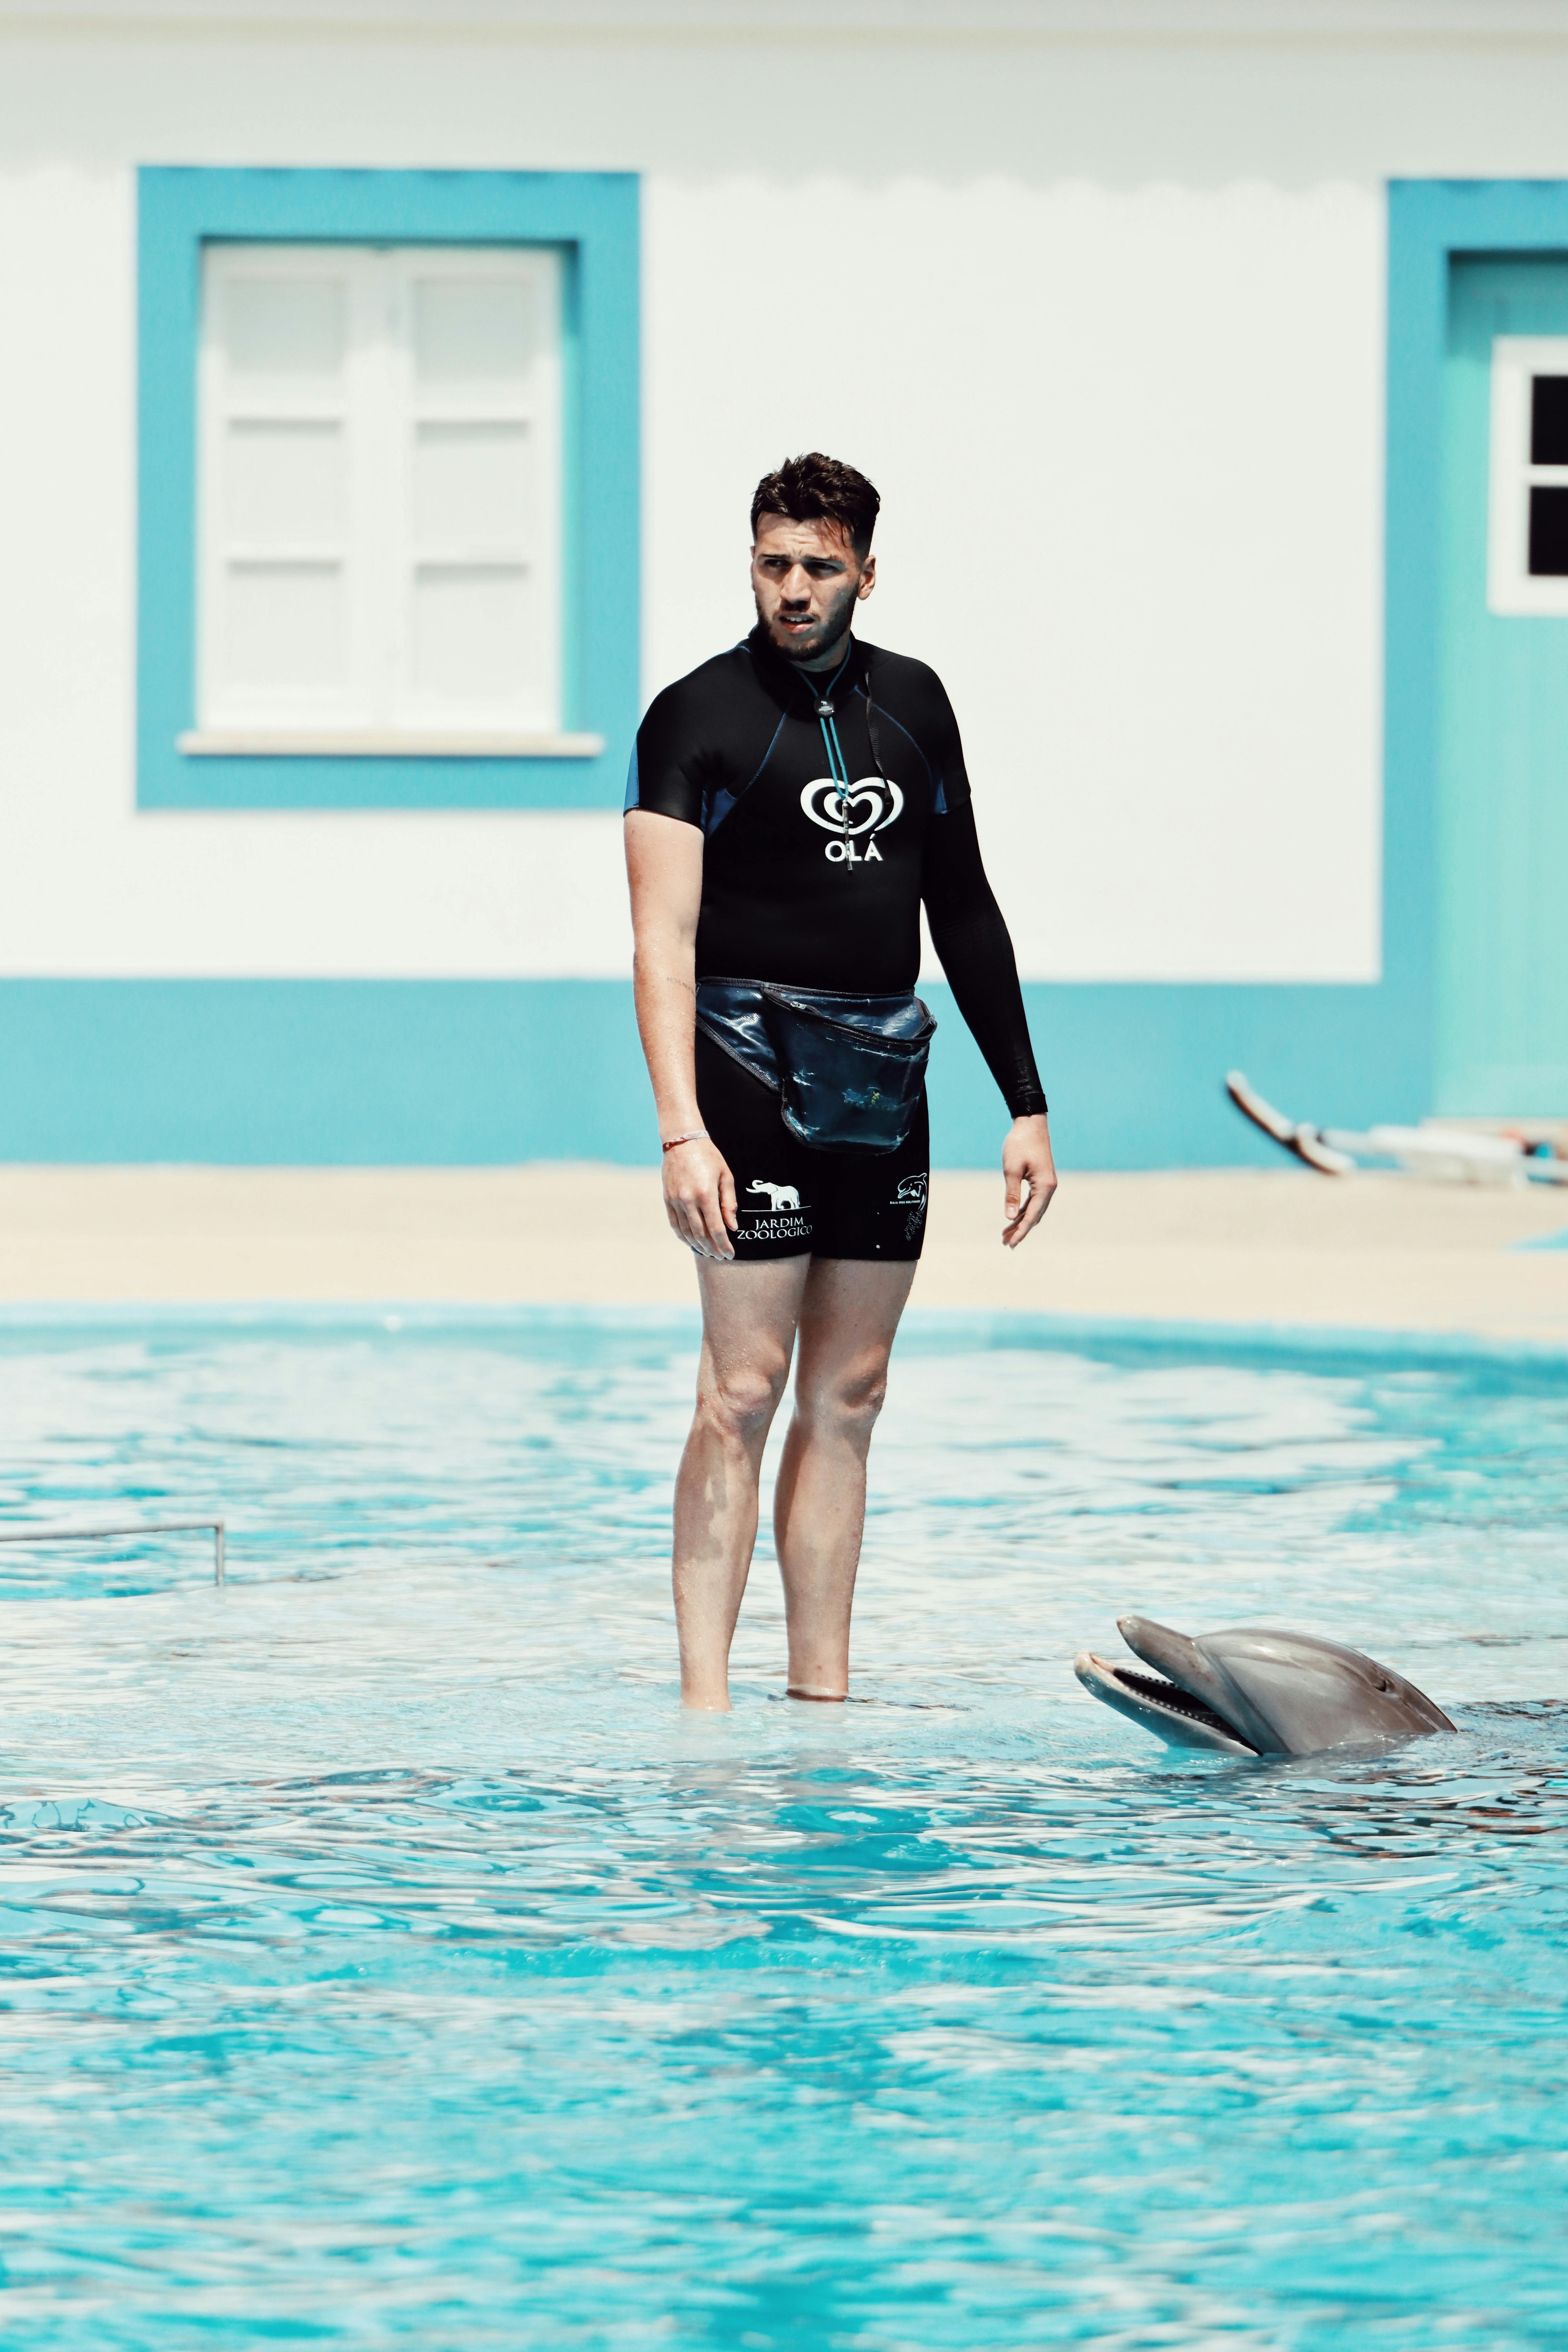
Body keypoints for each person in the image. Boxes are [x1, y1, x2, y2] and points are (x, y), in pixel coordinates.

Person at [623, 453, 1055, 1711]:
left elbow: (964, 907)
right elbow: (662, 943)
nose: (794, 590)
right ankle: (705, 1703)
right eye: (773, 564)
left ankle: (823, 1697)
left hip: (878, 1073)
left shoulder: (916, 704)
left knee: (852, 1394)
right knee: (743, 1390)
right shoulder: (694, 717)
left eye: (819, 566)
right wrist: (678, 1131)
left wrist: (1023, 1101)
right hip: (744, 1073)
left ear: (867, 569)